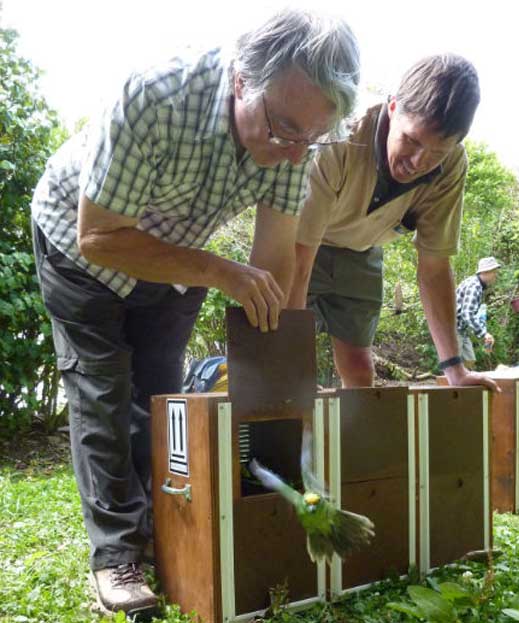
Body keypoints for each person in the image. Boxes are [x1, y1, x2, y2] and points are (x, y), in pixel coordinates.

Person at [30, 9, 360, 616]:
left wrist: (279, 389)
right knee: (103, 395)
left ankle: (163, 532)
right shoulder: (155, 96)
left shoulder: (296, 139)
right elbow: (99, 236)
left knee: (161, 403)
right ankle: (116, 558)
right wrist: (218, 271)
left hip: (172, 262)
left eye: (311, 141)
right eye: (284, 132)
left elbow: (273, 261)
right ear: (242, 82)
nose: (294, 155)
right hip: (83, 248)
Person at [288, 53, 498, 392]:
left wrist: (455, 369)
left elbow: (434, 265)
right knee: (287, 373)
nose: (418, 161)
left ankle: (354, 445)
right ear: (393, 107)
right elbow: (298, 257)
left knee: (359, 370)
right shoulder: (340, 136)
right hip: (299, 241)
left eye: (437, 152)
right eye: (412, 141)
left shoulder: (452, 167)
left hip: (360, 250)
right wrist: (289, 360)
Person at [456, 256, 501, 368]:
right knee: (454, 367)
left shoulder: (477, 285)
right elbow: (467, 313)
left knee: (469, 361)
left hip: (462, 330)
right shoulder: (474, 286)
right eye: (494, 272)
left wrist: (483, 333)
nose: (496, 275)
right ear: (485, 272)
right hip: (453, 330)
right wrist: (483, 333)